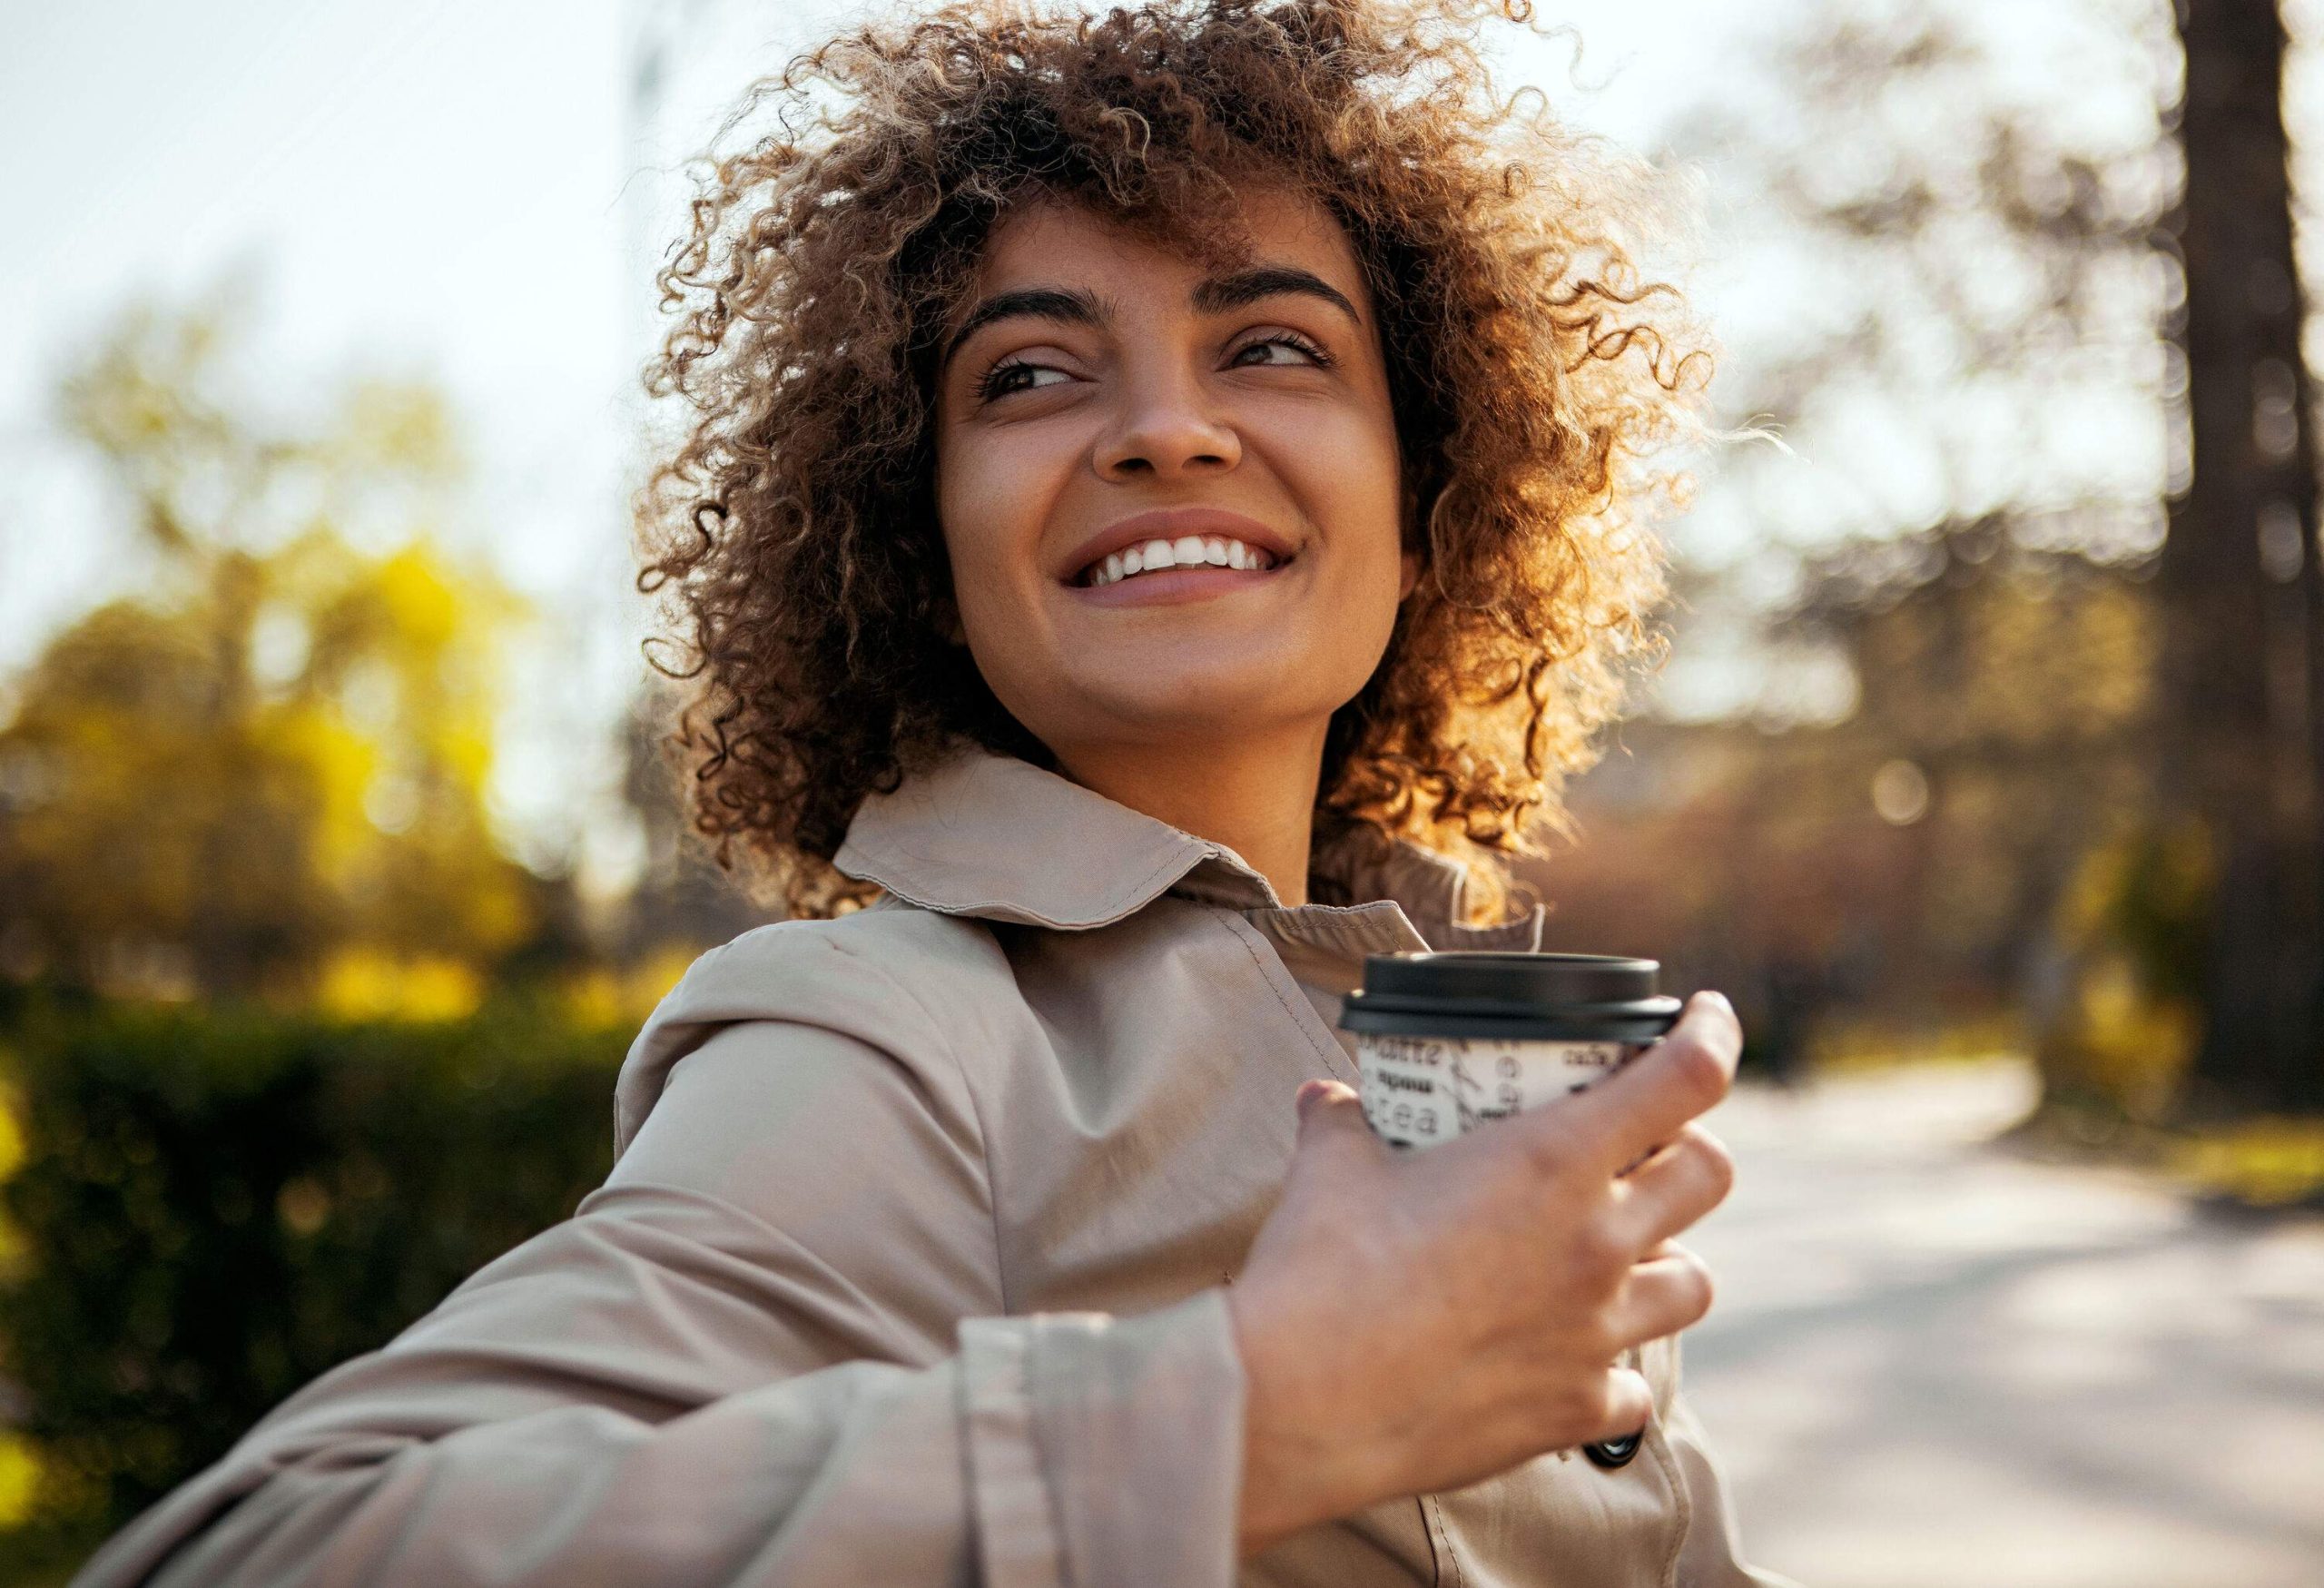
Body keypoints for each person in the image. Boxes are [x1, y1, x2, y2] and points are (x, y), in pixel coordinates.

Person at [74, 1, 1797, 1583]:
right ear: (922, 542)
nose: (1163, 432)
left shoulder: (1459, 1016)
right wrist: (1253, 1412)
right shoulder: (901, 1039)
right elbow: (265, 1547)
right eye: (1031, 375)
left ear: (1429, 496)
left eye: (1272, 345)